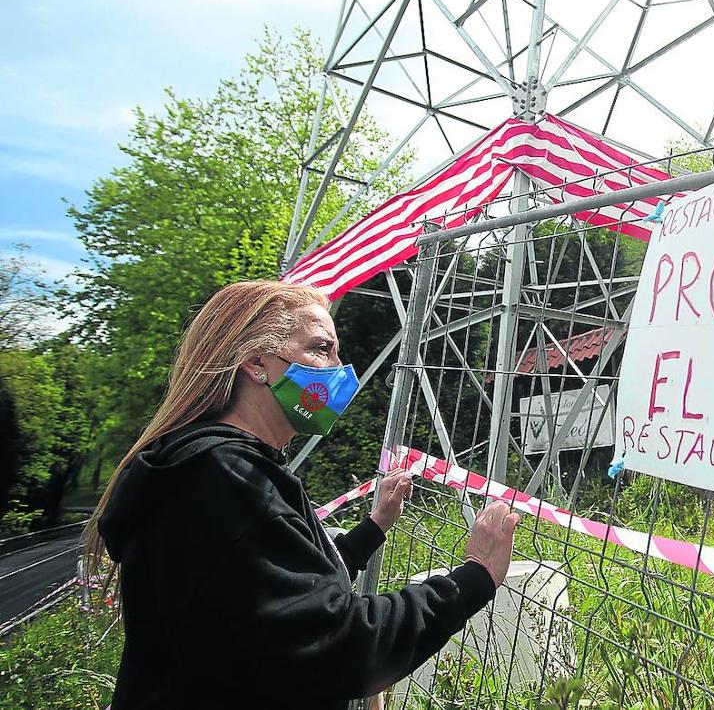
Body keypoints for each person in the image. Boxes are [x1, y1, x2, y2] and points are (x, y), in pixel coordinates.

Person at [82, 280, 520, 710]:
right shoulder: (226, 477)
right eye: (321, 348)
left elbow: (279, 584)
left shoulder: (210, 467)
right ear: (257, 363)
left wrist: (375, 525)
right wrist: (475, 575)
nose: (339, 369)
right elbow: (335, 646)